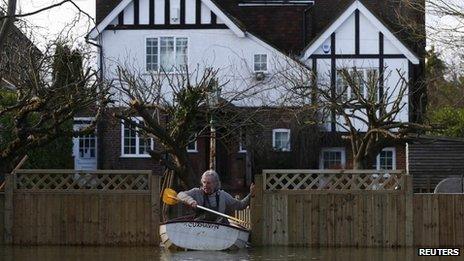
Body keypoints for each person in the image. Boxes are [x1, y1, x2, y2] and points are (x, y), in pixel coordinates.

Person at [177, 169, 255, 223]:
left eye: (208, 183)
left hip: (220, 226)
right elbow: (180, 195)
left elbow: (240, 205)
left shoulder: (223, 195)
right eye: (204, 182)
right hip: (200, 225)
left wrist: (250, 195)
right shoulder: (196, 192)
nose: (205, 185)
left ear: (215, 183)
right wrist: (190, 201)